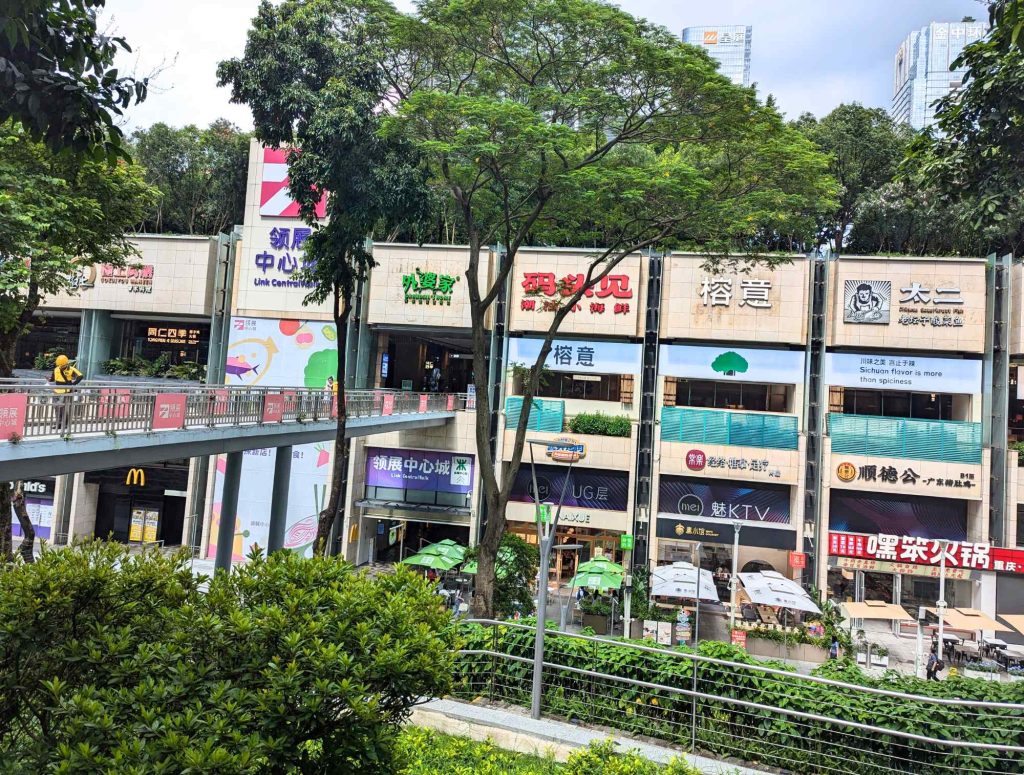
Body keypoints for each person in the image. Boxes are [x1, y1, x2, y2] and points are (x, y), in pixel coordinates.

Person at [49, 354, 83, 430]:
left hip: (66, 391)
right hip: (56, 391)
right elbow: (53, 379)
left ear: (66, 363)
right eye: (60, 365)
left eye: (62, 365)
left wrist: (73, 384)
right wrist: (49, 380)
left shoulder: (71, 369)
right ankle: (58, 424)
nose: (61, 366)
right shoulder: (56, 369)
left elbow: (81, 376)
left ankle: (65, 424)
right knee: (56, 408)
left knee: (64, 408)